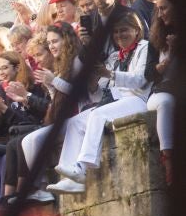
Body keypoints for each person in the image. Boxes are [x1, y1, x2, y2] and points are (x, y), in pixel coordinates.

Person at [49, 12, 153, 193]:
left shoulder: (145, 48)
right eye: (116, 32)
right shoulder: (114, 57)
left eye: (124, 30)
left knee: (98, 114)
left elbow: (140, 80)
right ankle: (71, 179)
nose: (120, 35)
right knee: (75, 122)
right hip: (116, 101)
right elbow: (103, 89)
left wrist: (110, 74)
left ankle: (81, 167)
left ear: (137, 31)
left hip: (138, 99)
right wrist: (95, 80)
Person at [146, 0, 175, 185]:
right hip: (161, 92)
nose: (160, 14)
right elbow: (148, 74)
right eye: (158, 10)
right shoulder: (156, 39)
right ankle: (168, 159)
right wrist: (169, 56)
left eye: (164, 8)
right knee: (166, 102)